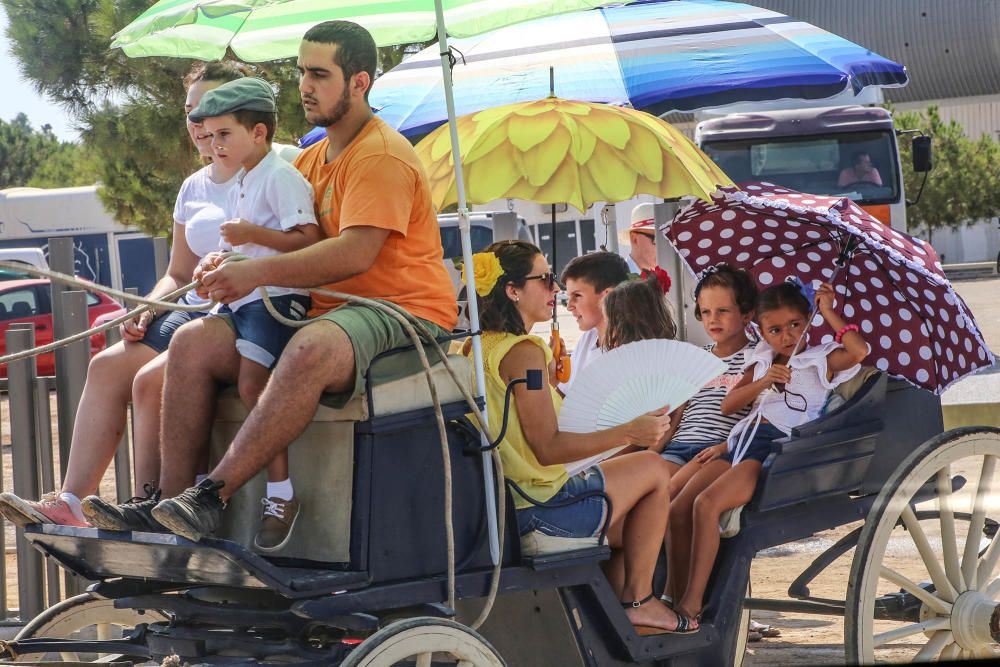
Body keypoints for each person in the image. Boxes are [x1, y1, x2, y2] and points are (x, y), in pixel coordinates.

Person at [80, 20, 457, 544]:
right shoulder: (307, 158)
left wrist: (253, 273)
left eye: (319, 74)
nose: (305, 85)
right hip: (323, 308)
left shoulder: (381, 155)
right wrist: (223, 264)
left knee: (309, 347)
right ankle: (167, 513)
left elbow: (355, 253)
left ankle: (210, 497)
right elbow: (269, 235)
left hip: (399, 309)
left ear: (359, 82)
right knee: (190, 342)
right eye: (302, 72)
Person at [0, 61, 247, 528]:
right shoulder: (193, 186)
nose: (198, 124)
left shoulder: (271, 166)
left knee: (150, 378)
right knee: (107, 363)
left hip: (238, 312)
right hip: (191, 310)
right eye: (191, 111)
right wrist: (148, 308)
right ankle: (72, 503)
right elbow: (177, 272)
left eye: (210, 110)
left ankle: (149, 505)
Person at [467, 240, 697, 635]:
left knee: (634, 519)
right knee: (654, 468)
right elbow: (547, 448)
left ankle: (614, 610)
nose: (554, 290)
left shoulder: (475, 345)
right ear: (512, 290)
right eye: (546, 279)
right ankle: (640, 602)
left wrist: (549, 388)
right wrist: (630, 430)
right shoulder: (524, 351)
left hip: (504, 507)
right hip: (542, 509)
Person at [670, 278, 869, 621]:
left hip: (772, 452)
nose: (786, 336)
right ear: (761, 332)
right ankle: (671, 595)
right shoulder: (761, 360)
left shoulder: (818, 360)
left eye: (794, 324)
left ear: (807, 320)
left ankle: (691, 603)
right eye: (774, 329)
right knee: (676, 507)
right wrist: (763, 380)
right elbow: (728, 405)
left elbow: (859, 351)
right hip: (739, 441)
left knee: (706, 504)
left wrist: (828, 312)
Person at [185, 76, 324, 551]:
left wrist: (252, 236)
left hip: (275, 299)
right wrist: (216, 261)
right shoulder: (246, 177)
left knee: (251, 385)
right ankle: (192, 490)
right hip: (242, 300)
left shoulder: (280, 177)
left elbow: (309, 241)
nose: (213, 143)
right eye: (210, 133)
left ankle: (280, 494)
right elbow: (242, 243)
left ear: (259, 133)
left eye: (224, 134)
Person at [656, 265, 758, 498]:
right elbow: (679, 411)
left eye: (723, 311)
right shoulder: (696, 358)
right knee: (640, 491)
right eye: (705, 312)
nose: (713, 319)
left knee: (665, 496)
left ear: (747, 314)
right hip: (679, 446)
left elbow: (756, 411)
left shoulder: (756, 358)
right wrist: (654, 451)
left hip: (716, 447)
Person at [557, 252, 630, 396]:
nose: (569, 306)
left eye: (577, 296)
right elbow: (562, 395)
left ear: (607, 296)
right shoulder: (588, 339)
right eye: (568, 297)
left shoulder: (632, 349)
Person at [619, 202, 657, 273]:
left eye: (665, 239)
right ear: (634, 239)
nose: (663, 247)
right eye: (656, 240)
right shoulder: (618, 278)